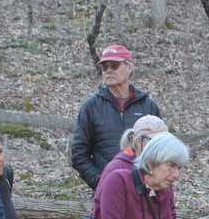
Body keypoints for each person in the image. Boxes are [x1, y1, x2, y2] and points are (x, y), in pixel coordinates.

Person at [70, 44, 163, 191]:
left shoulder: (148, 106)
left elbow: (161, 149)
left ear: (130, 67)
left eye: (114, 65)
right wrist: (100, 181)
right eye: (104, 67)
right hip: (107, 191)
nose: (108, 71)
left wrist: (152, 180)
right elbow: (78, 154)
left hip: (144, 190)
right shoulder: (91, 107)